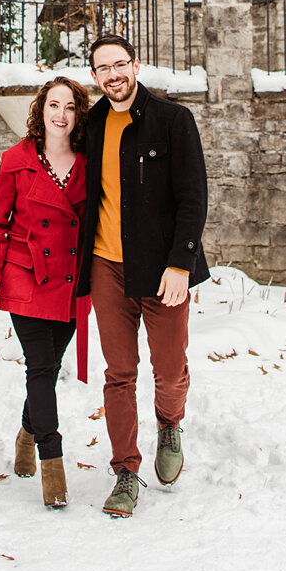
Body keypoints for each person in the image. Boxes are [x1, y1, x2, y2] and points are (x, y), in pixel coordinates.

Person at [74, 33, 209, 518]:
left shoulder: (174, 121)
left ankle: (170, 423)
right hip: (107, 268)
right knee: (119, 374)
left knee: (169, 371)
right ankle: (126, 472)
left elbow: (194, 199)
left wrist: (181, 264)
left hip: (162, 271)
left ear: (136, 64)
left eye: (120, 64)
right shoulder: (89, 127)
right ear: (94, 76)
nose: (113, 74)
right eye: (103, 68)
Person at [0, 74, 92, 510]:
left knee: (48, 366)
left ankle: (27, 431)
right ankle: (52, 460)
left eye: (70, 107)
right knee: (41, 368)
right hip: (25, 276)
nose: (60, 115)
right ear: (40, 111)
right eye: (53, 105)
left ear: (78, 115)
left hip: (71, 280)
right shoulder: (16, 160)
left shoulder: (89, 161)